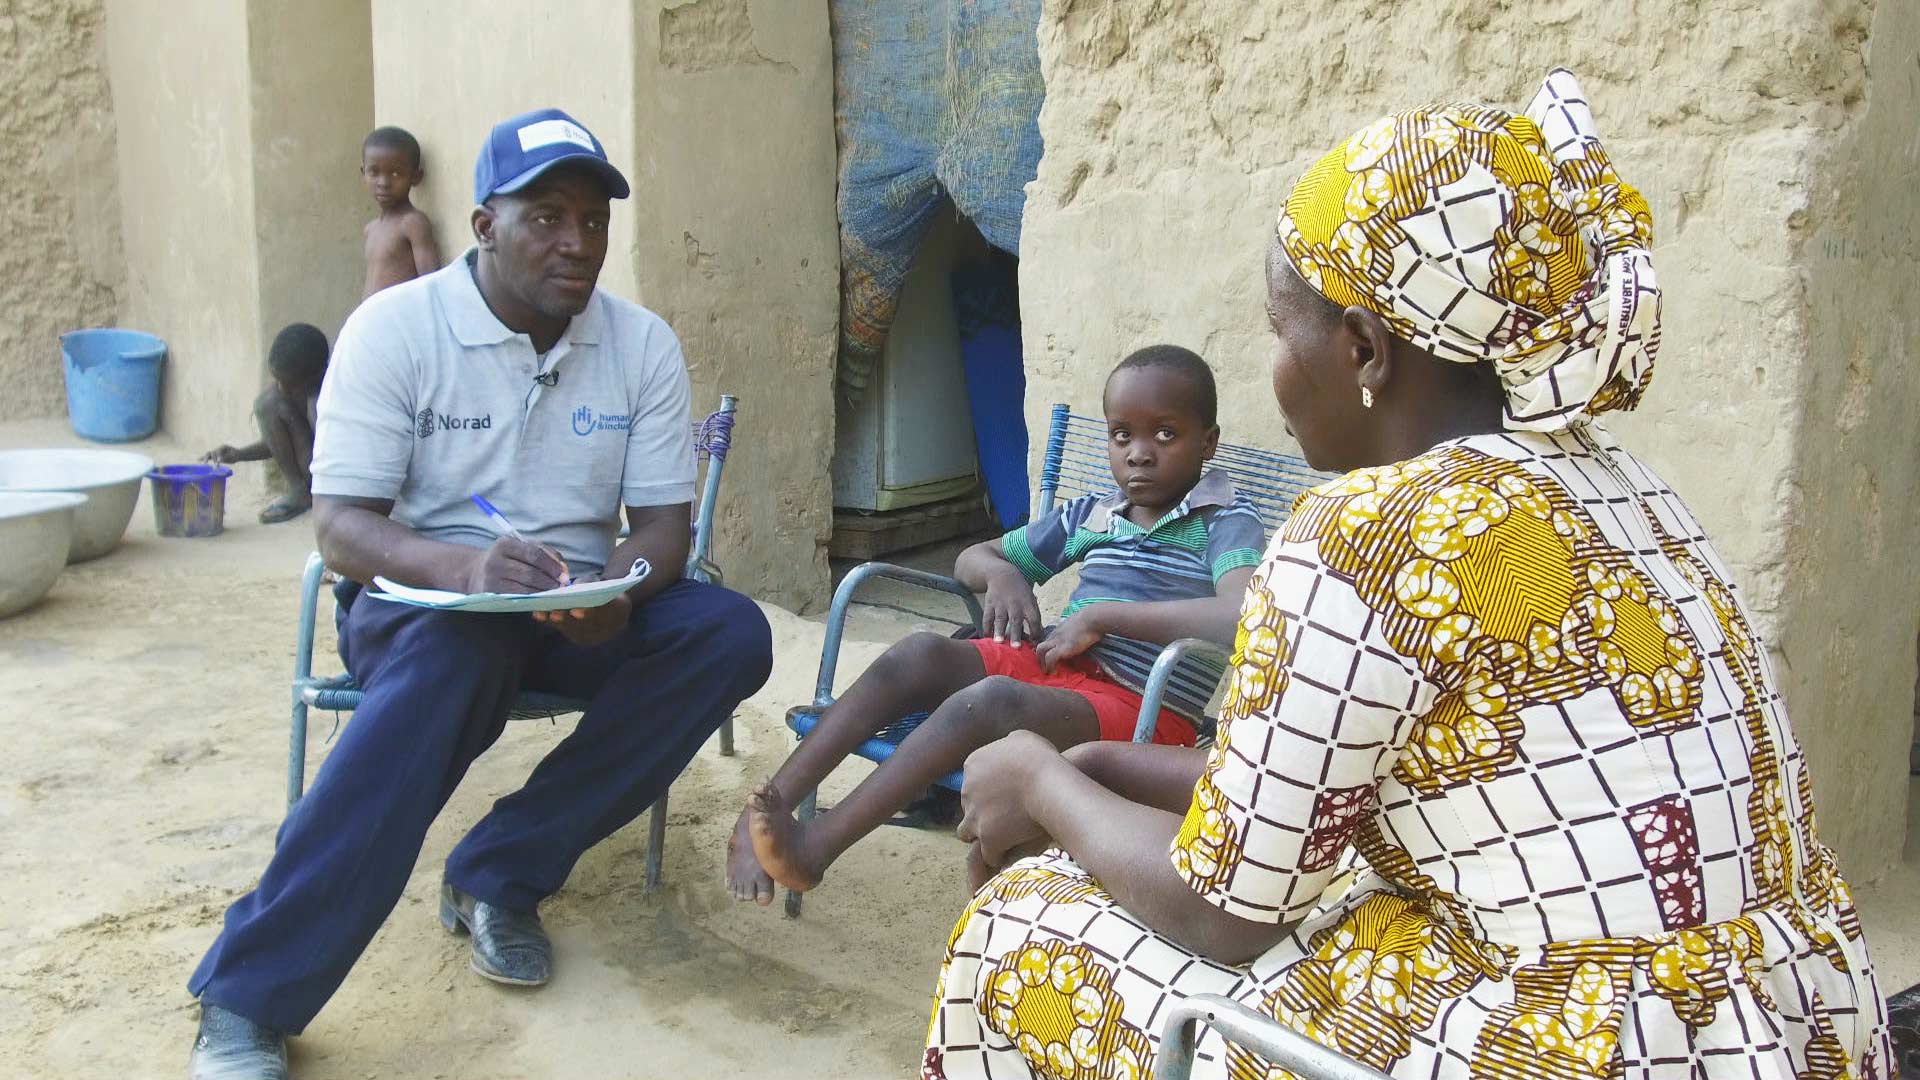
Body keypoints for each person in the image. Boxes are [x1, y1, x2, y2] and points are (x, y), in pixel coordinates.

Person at [925, 69, 1893, 1080]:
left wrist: (1036, 776)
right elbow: (1362, 801)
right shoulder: (1638, 496)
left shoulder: (1366, 532)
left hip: (1576, 1050)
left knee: (1021, 921)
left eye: (1279, 333)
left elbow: (1224, 914)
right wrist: (1104, 769)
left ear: (1362, 348)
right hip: (1790, 1028)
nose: (1278, 373)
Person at [185, 107, 773, 1080]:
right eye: (546, 217)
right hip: (420, 602)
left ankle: (500, 871)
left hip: (576, 604)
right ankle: (248, 996)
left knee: (727, 633)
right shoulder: (395, 330)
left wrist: (618, 586)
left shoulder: (640, 345)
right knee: (464, 650)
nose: (576, 243)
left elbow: (667, 526)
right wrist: (464, 572)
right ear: (484, 224)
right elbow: (341, 525)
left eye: (593, 221)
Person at [732, 346, 1268, 905]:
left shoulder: (1226, 522)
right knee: (918, 654)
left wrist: (1105, 616)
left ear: (1207, 443)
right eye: (1121, 436)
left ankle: (814, 850)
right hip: (1062, 671)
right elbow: (973, 561)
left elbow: (1240, 614)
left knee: (988, 701)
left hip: (1145, 713)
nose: (1138, 455)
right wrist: (1005, 576)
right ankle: (765, 812)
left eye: (1163, 435)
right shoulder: (1094, 514)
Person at [201, 323, 329, 524]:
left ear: (313, 378)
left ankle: (320, 497)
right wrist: (239, 454)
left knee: (276, 401)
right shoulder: (293, 393)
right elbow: (285, 444)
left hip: (332, 479)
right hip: (313, 469)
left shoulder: (327, 400)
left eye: (287, 383)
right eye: (277, 379)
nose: (280, 387)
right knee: (267, 403)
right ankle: (299, 491)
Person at [360, 125, 440, 298]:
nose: (383, 182)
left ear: (415, 177)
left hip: (401, 321)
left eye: (396, 174)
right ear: (363, 173)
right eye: (374, 172)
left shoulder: (412, 223)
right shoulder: (371, 229)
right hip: (372, 321)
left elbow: (431, 283)